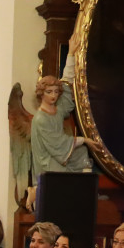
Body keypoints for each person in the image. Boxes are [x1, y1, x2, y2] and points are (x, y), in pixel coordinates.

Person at [31, 32, 93, 176]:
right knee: (67, 170)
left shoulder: (58, 109)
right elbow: (58, 143)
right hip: (48, 161)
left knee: (82, 153)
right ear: (41, 93)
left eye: (55, 92)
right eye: (49, 92)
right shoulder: (41, 118)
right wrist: (84, 139)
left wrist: (71, 53)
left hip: (61, 153)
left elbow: (66, 81)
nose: (53, 95)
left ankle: (87, 189)